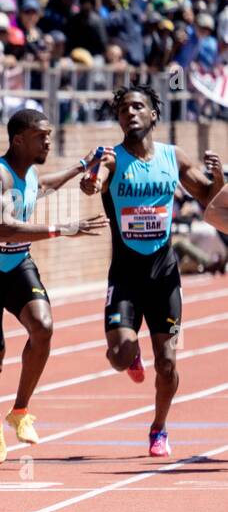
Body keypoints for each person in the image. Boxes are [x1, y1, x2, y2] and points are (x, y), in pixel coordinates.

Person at [80, 86, 225, 457]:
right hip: (126, 276)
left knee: (168, 362)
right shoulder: (111, 160)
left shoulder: (172, 157)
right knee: (119, 356)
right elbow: (90, 184)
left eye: (138, 106)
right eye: (124, 108)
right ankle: (131, 357)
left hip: (164, 275)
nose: (131, 113)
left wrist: (219, 178)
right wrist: (91, 175)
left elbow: (211, 200)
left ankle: (158, 428)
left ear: (153, 115)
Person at [0, 109, 107, 465]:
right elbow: (4, 229)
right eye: (42, 136)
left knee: (43, 326)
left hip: (17, 266)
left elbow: (41, 187)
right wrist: (62, 228)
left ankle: (20, 410)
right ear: (18, 139)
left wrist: (78, 167)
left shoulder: (28, 173)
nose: (48, 141)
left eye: (50, 135)